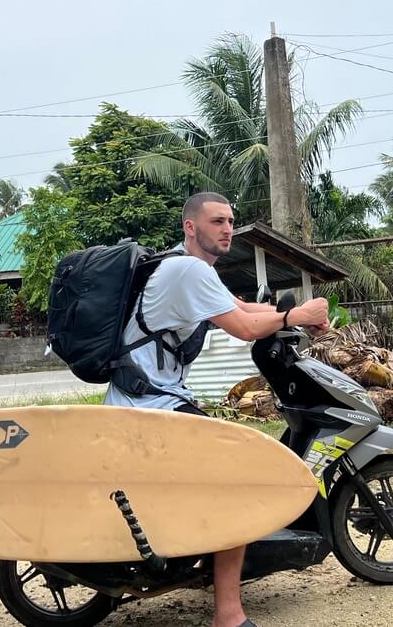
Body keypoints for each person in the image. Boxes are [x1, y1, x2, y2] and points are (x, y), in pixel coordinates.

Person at [105, 191, 330, 627]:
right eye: (216, 222)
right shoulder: (187, 270)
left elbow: (242, 307)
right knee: (239, 480)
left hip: (147, 400)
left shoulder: (183, 266)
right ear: (191, 227)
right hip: (150, 406)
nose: (227, 229)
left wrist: (294, 315)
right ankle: (228, 614)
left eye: (230, 221)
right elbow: (246, 328)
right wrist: (297, 315)